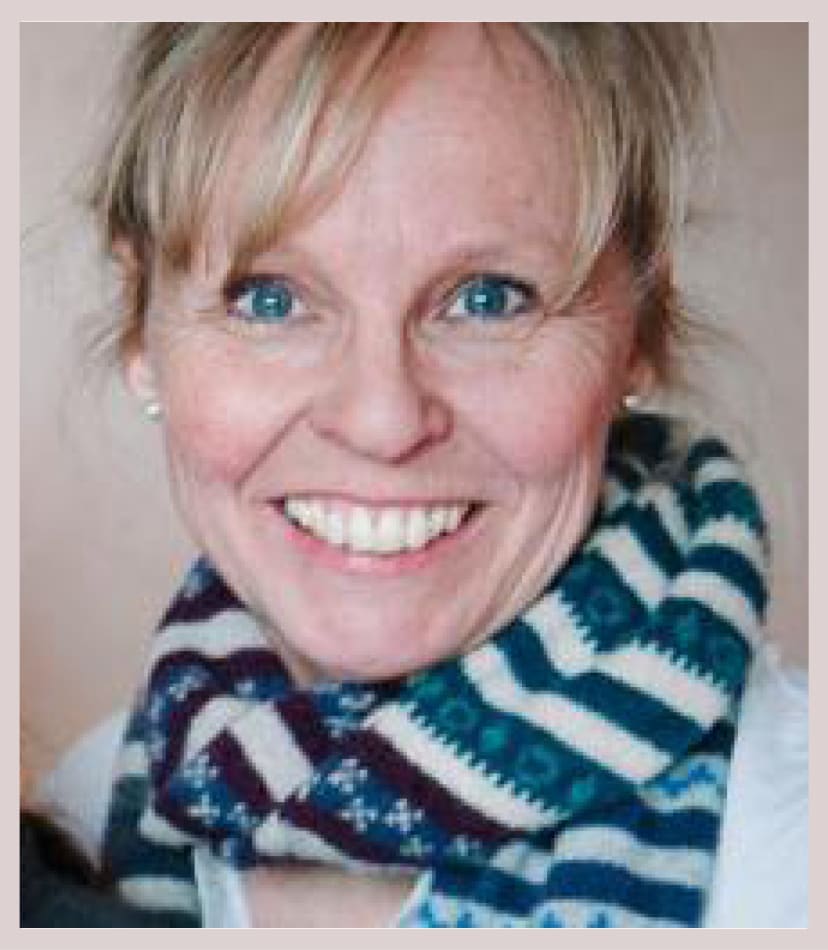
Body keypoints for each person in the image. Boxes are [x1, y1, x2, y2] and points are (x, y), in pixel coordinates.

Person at [32, 22, 807, 928]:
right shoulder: (80, 816)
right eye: (270, 299)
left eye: (488, 298)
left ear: (639, 326)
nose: (383, 420)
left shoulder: (796, 837)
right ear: (143, 331)